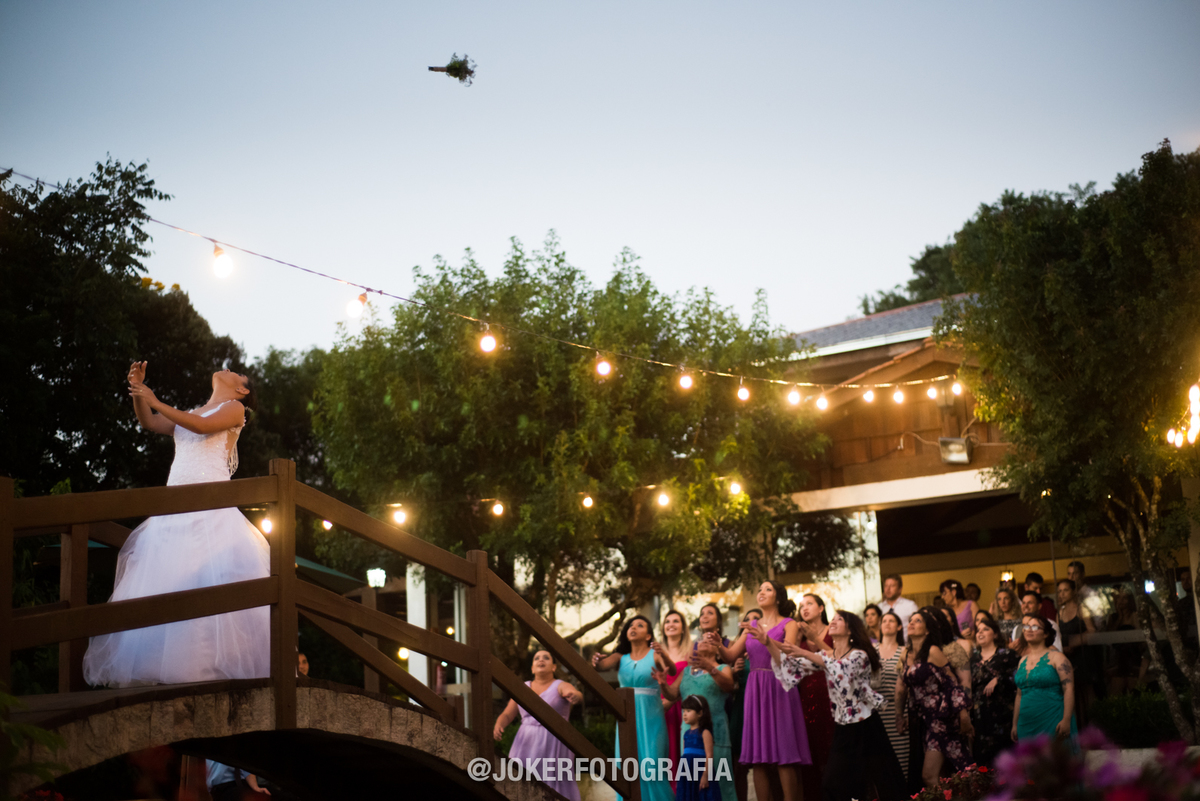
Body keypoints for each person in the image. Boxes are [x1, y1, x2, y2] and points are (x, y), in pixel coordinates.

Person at [83, 364, 269, 687]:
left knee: (203, 586)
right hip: (173, 511)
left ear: (243, 390)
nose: (228, 368)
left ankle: (202, 670)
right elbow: (149, 422)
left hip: (211, 510)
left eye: (237, 373)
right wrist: (139, 392)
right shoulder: (195, 410)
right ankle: (162, 667)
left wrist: (155, 399)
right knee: (170, 583)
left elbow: (198, 426)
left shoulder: (235, 409)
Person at [757, 610, 906, 801]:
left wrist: (805, 651)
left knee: (884, 782)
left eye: (839, 619)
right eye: (833, 619)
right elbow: (791, 665)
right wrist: (768, 642)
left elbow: (840, 668)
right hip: (843, 728)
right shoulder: (828, 656)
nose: (833, 621)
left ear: (850, 629)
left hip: (866, 726)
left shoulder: (859, 655)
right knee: (833, 783)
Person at [719, 581, 810, 801]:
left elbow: (787, 658)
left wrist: (767, 640)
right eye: (759, 589)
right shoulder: (753, 624)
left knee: (784, 753)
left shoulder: (789, 624)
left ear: (778, 597)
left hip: (779, 687)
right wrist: (716, 645)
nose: (761, 592)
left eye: (767, 589)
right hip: (755, 689)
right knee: (758, 757)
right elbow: (731, 656)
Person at [593, 616, 676, 801]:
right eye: (631, 625)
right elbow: (602, 666)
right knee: (628, 766)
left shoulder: (654, 654)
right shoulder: (620, 657)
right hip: (626, 715)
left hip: (651, 716)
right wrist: (597, 660)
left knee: (652, 765)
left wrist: (664, 654)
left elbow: (671, 671)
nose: (633, 627)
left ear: (648, 636)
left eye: (640, 625)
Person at [895, 609, 971, 789]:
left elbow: (952, 682)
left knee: (930, 775)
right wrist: (899, 715)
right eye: (911, 620)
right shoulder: (906, 654)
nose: (912, 623)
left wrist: (964, 714)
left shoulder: (933, 651)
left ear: (927, 630)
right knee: (943, 775)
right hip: (923, 719)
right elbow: (902, 687)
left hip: (942, 717)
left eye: (918, 621)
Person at [495, 649, 584, 801]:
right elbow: (508, 713)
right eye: (537, 658)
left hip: (554, 743)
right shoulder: (523, 687)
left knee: (553, 785)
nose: (541, 660)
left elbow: (574, 692)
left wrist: (576, 695)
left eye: (546, 658)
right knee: (521, 779)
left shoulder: (560, 685)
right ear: (532, 668)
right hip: (525, 743)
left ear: (554, 667)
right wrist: (499, 724)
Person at [660, 638, 735, 801]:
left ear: (717, 650)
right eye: (701, 639)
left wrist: (709, 667)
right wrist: (662, 683)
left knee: (721, 782)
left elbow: (729, 686)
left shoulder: (724, 668)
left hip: (715, 733)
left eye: (710, 640)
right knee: (692, 783)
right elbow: (672, 694)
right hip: (689, 737)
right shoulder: (686, 671)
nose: (704, 641)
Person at [1012, 614, 1077, 745]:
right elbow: (1019, 695)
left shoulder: (1057, 658)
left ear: (1046, 634)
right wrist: (1014, 724)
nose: (1029, 629)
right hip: (1026, 723)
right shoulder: (1022, 661)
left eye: (1035, 627)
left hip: (1052, 718)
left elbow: (1069, 689)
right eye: (1027, 626)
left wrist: (1066, 719)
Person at [796, 593, 835, 800]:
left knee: (831, 752)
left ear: (821, 608)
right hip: (805, 700)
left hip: (831, 698)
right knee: (810, 754)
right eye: (802, 605)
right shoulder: (799, 639)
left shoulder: (833, 631)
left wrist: (816, 639)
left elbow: (838, 659)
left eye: (809, 604)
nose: (805, 608)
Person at [969, 617, 1018, 768]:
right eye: (978, 630)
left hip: (1002, 716)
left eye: (985, 629)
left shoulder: (1008, 655)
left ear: (995, 634)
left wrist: (999, 679)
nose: (980, 633)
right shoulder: (972, 659)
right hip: (979, 717)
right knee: (983, 764)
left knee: (1004, 761)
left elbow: (1020, 679)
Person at [873, 611, 909, 782]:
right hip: (876, 714)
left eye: (891, 621)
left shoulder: (905, 651)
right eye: (884, 621)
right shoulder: (872, 651)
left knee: (901, 764)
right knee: (880, 765)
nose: (887, 623)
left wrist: (900, 714)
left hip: (898, 713)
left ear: (899, 626)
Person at [727, 609, 759, 801]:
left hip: (762, 708)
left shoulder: (768, 644)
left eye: (756, 619)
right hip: (741, 708)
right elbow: (730, 686)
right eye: (747, 619)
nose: (751, 622)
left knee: (767, 765)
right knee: (739, 765)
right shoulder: (735, 648)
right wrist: (734, 672)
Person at [1055, 579, 1098, 725]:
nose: (1062, 593)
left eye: (1065, 590)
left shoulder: (1082, 608)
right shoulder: (1059, 612)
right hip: (1067, 657)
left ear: (1073, 591)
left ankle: (1094, 725)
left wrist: (1075, 643)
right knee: (1072, 691)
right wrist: (1063, 648)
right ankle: (1077, 726)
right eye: (1059, 591)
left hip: (1083, 655)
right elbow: (1058, 636)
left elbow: (1092, 631)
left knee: (1087, 691)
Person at [661, 609, 694, 784]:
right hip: (660, 706)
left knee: (681, 749)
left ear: (683, 628)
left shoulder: (691, 651)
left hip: (683, 705)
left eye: (675, 621)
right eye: (667, 621)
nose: (671, 625)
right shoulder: (656, 653)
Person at [675, 695, 721, 801]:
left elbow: (709, 755)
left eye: (689, 710)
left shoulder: (705, 733)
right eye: (683, 711)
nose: (684, 714)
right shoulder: (685, 734)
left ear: (700, 713)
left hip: (700, 771)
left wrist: (705, 776)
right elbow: (684, 755)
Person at [1106, 589, 1145, 696]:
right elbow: (1109, 636)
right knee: (1115, 694)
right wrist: (1119, 618)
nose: (1121, 601)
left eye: (1124, 598)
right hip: (1117, 659)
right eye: (1119, 598)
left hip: (1133, 657)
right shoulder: (1113, 617)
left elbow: (1140, 635)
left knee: (1135, 694)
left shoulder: (1134, 615)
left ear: (1130, 600)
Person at [1068, 561, 1106, 628]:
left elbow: (1099, 622)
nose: (1071, 577)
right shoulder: (1068, 595)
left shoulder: (1092, 595)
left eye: (1075, 573)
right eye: (1069, 574)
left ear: (1082, 575)